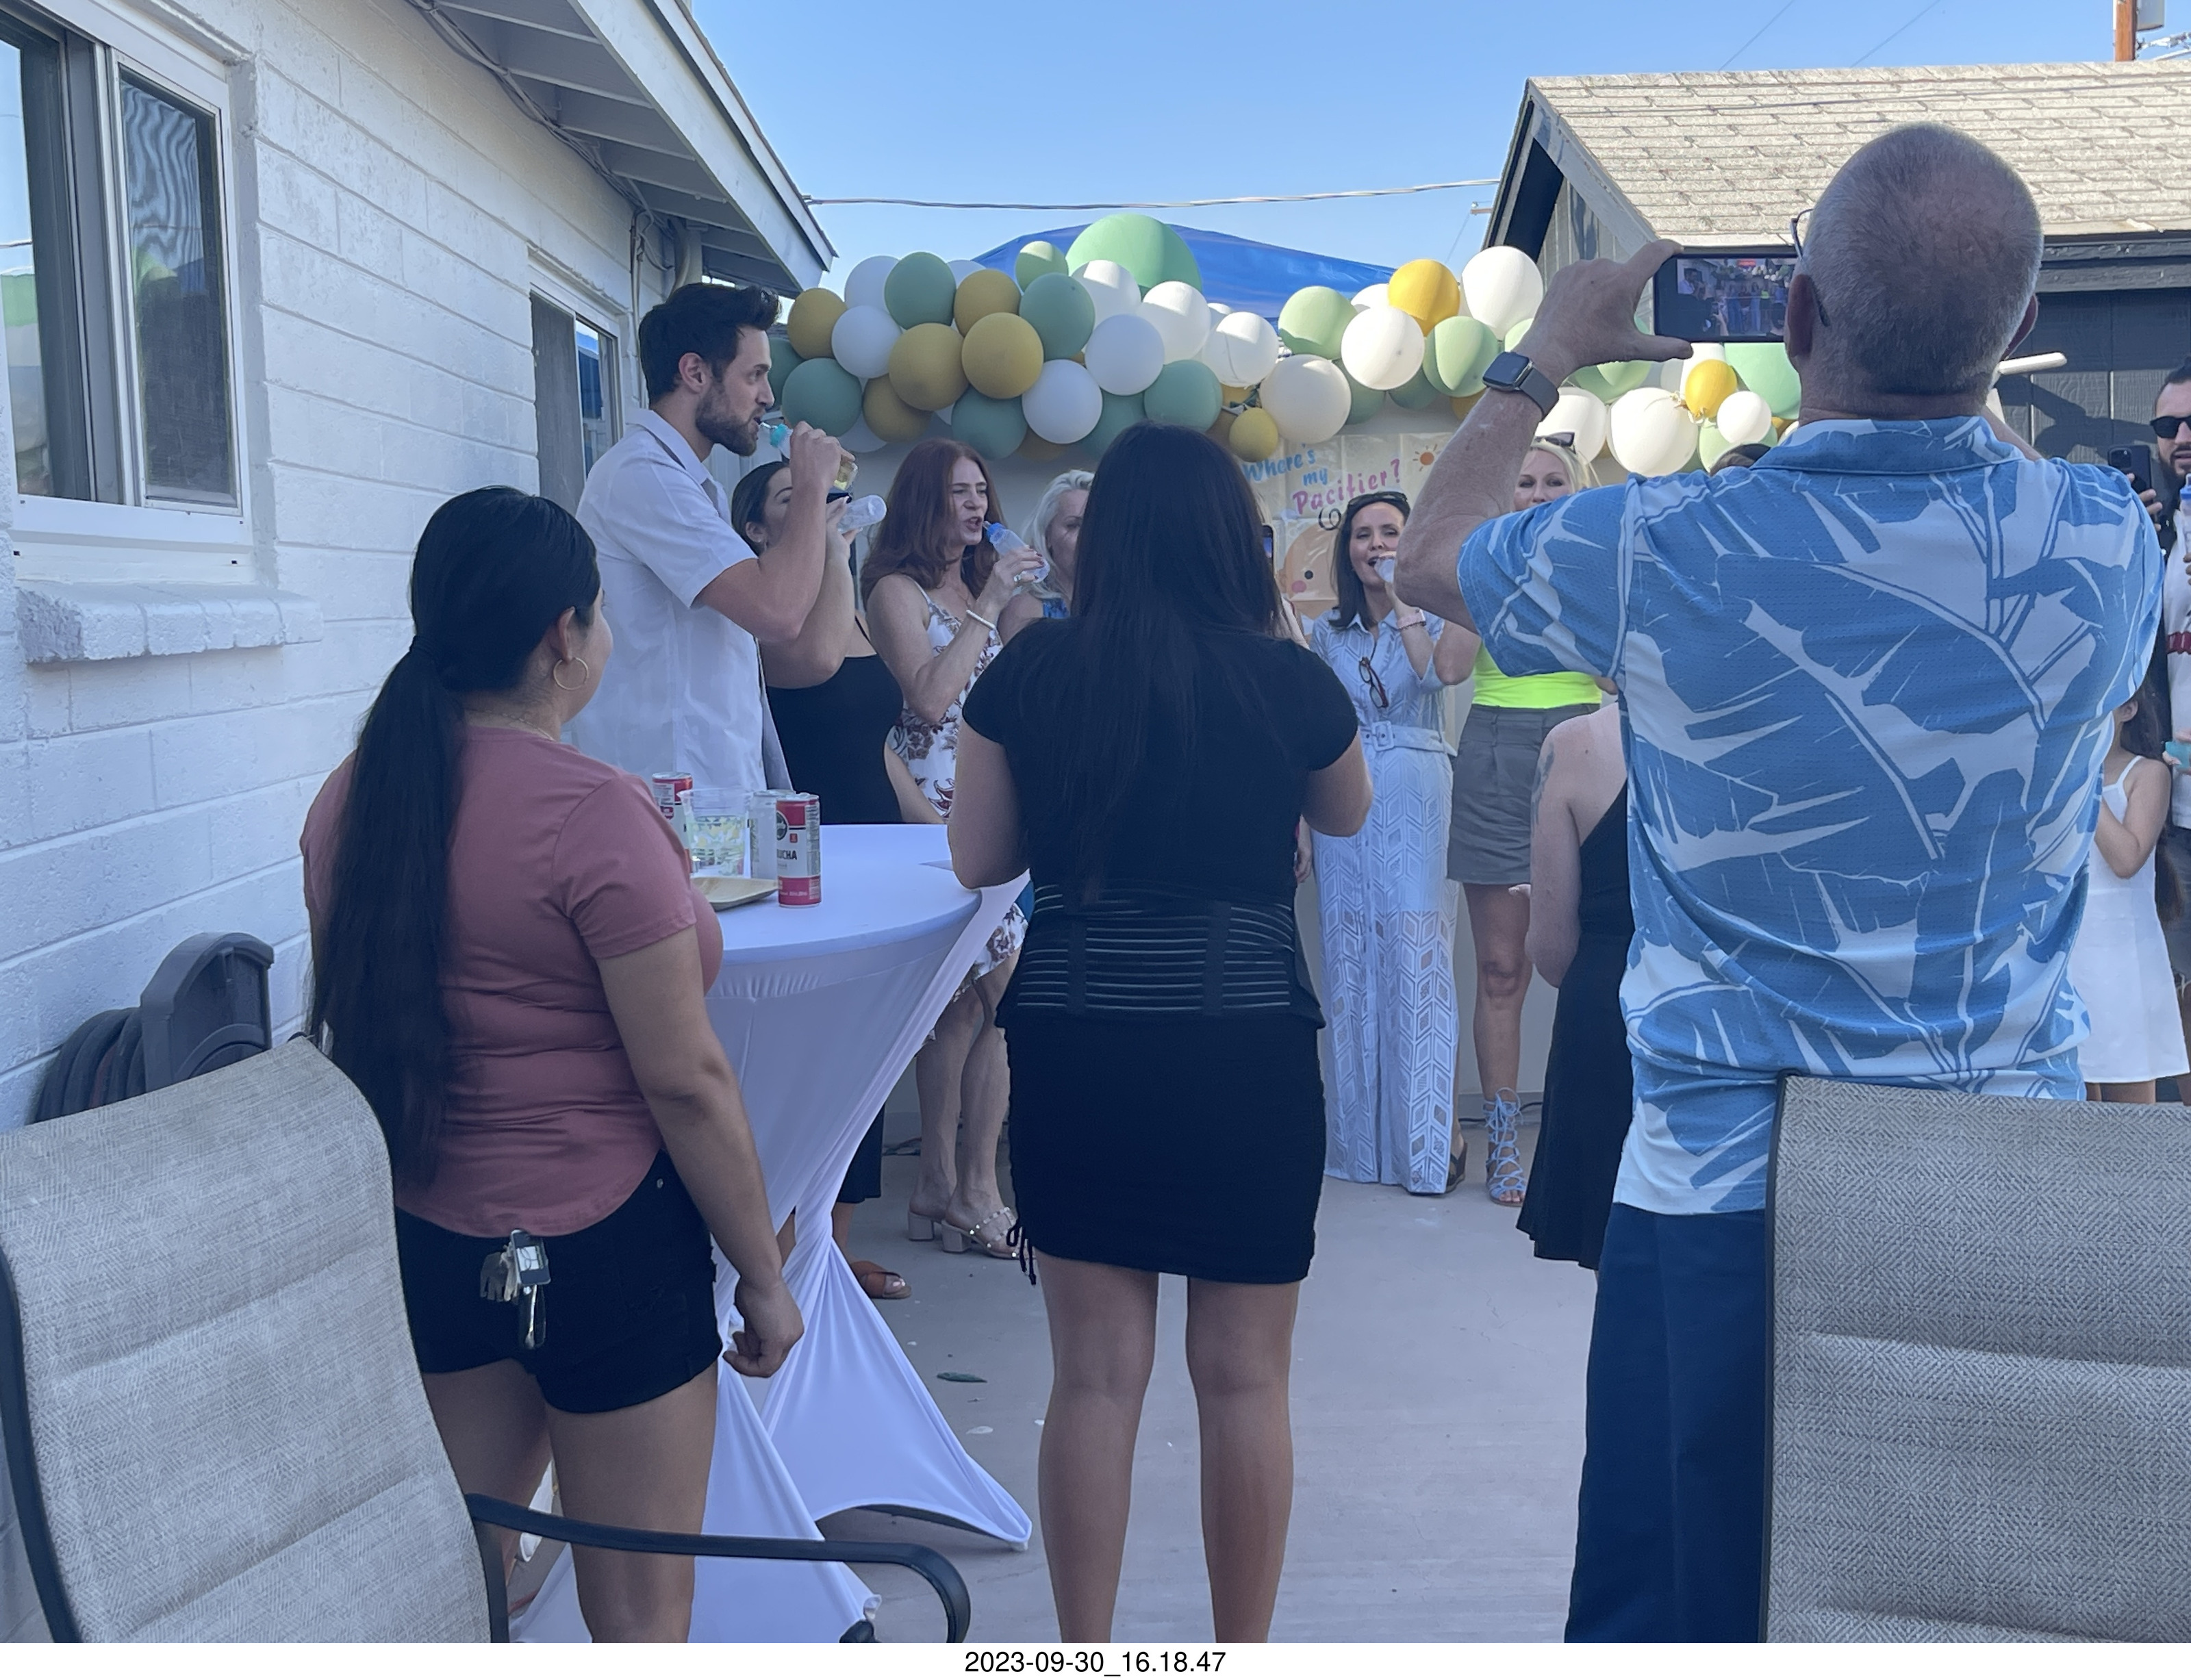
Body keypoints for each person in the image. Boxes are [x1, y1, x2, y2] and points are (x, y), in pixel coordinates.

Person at [1396, 124, 2159, 1642]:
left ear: (1796, 318)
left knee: (1692, 1612)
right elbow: (1989, 468)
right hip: (1997, 1181)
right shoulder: (2103, 537)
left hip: (1724, 1189)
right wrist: (1959, 366)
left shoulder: (1664, 541)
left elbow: (1429, 558)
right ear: (2017, 330)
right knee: (1966, 1620)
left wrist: (1545, 354)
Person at [302, 488, 802, 1642]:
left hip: (429, 1234)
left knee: (458, 1591)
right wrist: (763, 1271)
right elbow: (686, 1079)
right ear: (560, 637)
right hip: (609, 1244)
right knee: (641, 1614)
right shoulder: (595, 812)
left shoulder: (350, 800)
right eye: (603, 611)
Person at [948, 421, 1371, 1642]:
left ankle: (1086, 1657)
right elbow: (1348, 812)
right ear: (1233, 540)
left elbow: (978, 856)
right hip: (1244, 1048)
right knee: (1244, 1378)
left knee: (1093, 1375)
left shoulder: (1032, 671)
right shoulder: (1287, 678)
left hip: (1079, 1044)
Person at [737, 460, 941, 1301]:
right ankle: (789, 1258)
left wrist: (941, 838)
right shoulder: (774, 611)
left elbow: (875, 741)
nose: (820, 506)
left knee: (865, 1060)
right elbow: (816, 661)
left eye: (823, 496)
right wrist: (822, 549)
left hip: (874, 847)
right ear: (756, 531)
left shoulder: (843, 598)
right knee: (813, 1064)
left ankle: (830, 1252)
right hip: (810, 861)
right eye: (793, 500)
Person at [865, 438, 1045, 1258]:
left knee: (968, 1006)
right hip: (931, 817)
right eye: (957, 493)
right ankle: (974, 1188)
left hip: (993, 807)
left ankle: (939, 1187)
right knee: (1005, 1000)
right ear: (921, 503)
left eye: (980, 491)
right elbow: (931, 700)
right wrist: (988, 604)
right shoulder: (893, 591)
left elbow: (1018, 688)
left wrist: (1011, 598)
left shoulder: (981, 586)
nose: (975, 506)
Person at [566, 281, 841, 793]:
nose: (768, 397)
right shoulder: (645, 475)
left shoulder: (681, 480)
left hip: (702, 797)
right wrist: (809, 488)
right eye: (754, 375)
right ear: (695, 372)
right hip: (674, 802)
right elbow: (779, 612)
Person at [1445, 435, 1604, 1207]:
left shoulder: (1596, 566)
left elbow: (1621, 672)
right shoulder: (1483, 562)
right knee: (1502, 968)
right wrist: (1494, 566)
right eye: (1523, 483)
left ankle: (1589, 1135)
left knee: (1597, 961)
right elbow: (1448, 665)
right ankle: (1503, 1143)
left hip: (1587, 745)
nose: (1537, 495)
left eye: (1551, 483)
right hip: (1496, 751)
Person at [1307, 490, 1473, 1194]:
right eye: (1362, 535)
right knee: (1349, 955)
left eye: (1389, 532)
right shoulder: (1324, 633)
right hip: (1344, 793)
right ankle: (1358, 1148)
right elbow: (1313, 724)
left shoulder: (1444, 615)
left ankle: (1426, 1148)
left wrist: (1405, 596)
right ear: (1345, 550)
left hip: (1416, 789)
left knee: (1415, 954)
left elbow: (1437, 676)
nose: (1375, 544)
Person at [1515, 697, 1630, 1269]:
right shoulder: (1759, 736)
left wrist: (1544, 912)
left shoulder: (1576, 745)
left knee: (1616, 1264)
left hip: (1610, 1011)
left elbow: (1554, 954)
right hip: (1721, 1021)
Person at [2069, 655, 2186, 1102]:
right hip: (2068, 946)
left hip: (2122, 951)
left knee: (2131, 1091)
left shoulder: (2148, 773)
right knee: (2076, 1088)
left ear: (2128, 709)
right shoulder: (2060, 778)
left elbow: (2126, 858)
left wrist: (2084, 784)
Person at [2141, 363, 2191, 1068]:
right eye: (2167, 425)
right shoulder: (2155, 531)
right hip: (2171, 805)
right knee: (2177, 984)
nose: (2181, 437)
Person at [1020, 469, 1092, 626]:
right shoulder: (1027, 610)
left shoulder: (1120, 605)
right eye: (1074, 525)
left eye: (1095, 525)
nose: (1088, 536)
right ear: (1047, 536)